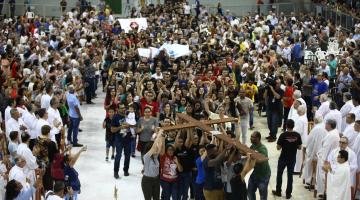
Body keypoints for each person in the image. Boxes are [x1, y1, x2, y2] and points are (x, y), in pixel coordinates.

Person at [272, 119, 302, 199]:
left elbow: (278, 148)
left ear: (286, 126)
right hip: (292, 159)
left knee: (279, 174)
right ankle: (288, 194)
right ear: (293, 126)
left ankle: (278, 191)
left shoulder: (283, 135)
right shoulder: (297, 135)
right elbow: (300, 147)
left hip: (283, 158)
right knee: (290, 176)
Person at [316, 119, 340, 198]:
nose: (325, 125)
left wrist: (321, 159)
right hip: (329, 158)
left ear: (329, 125)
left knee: (324, 177)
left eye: (326, 124)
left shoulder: (331, 135)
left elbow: (326, 148)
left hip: (327, 160)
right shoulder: (332, 133)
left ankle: (324, 193)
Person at [301, 114, 327, 188]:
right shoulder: (324, 127)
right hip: (321, 151)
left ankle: (310, 181)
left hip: (314, 151)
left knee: (309, 163)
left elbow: (310, 139)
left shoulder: (316, 128)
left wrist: (306, 147)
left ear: (315, 120)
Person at [141, 131, 165, 200]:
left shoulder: (155, 156)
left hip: (156, 180)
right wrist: (159, 134)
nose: (157, 149)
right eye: (155, 148)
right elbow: (154, 147)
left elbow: (160, 147)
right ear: (149, 149)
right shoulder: (146, 157)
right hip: (147, 181)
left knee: (157, 198)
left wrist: (162, 138)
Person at [248, 131, 271, 200]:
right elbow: (248, 152)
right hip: (254, 174)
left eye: (253, 137)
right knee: (250, 192)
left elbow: (260, 160)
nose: (251, 138)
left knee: (262, 195)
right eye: (251, 137)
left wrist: (250, 157)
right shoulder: (253, 146)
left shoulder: (262, 149)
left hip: (263, 176)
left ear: (258, 138)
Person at [111, 103, 131, 178]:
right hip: (119, 139)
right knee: (118, 155)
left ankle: (126, 170)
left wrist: (130, 125)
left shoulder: (129, 115)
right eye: (121, 108)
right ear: (117, 109)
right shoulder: (115, 117)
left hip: (128, 138)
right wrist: (120, 127)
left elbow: (134, 125)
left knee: (127, 155)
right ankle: (116, 171)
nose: (123, 109)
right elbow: (112, 130)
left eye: (124, 108)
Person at [265, 78, 284, 142]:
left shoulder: (281, 90)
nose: (278, 84)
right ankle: (271, 134)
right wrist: (266, 89)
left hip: (276, 109)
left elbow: (278, 97)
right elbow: (264, 96)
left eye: (279, 83)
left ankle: (274, 136)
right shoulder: (270, 89)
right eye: (276, 83)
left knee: (274, 123)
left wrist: (272, 90)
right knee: (269, 123)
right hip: (269, 108)